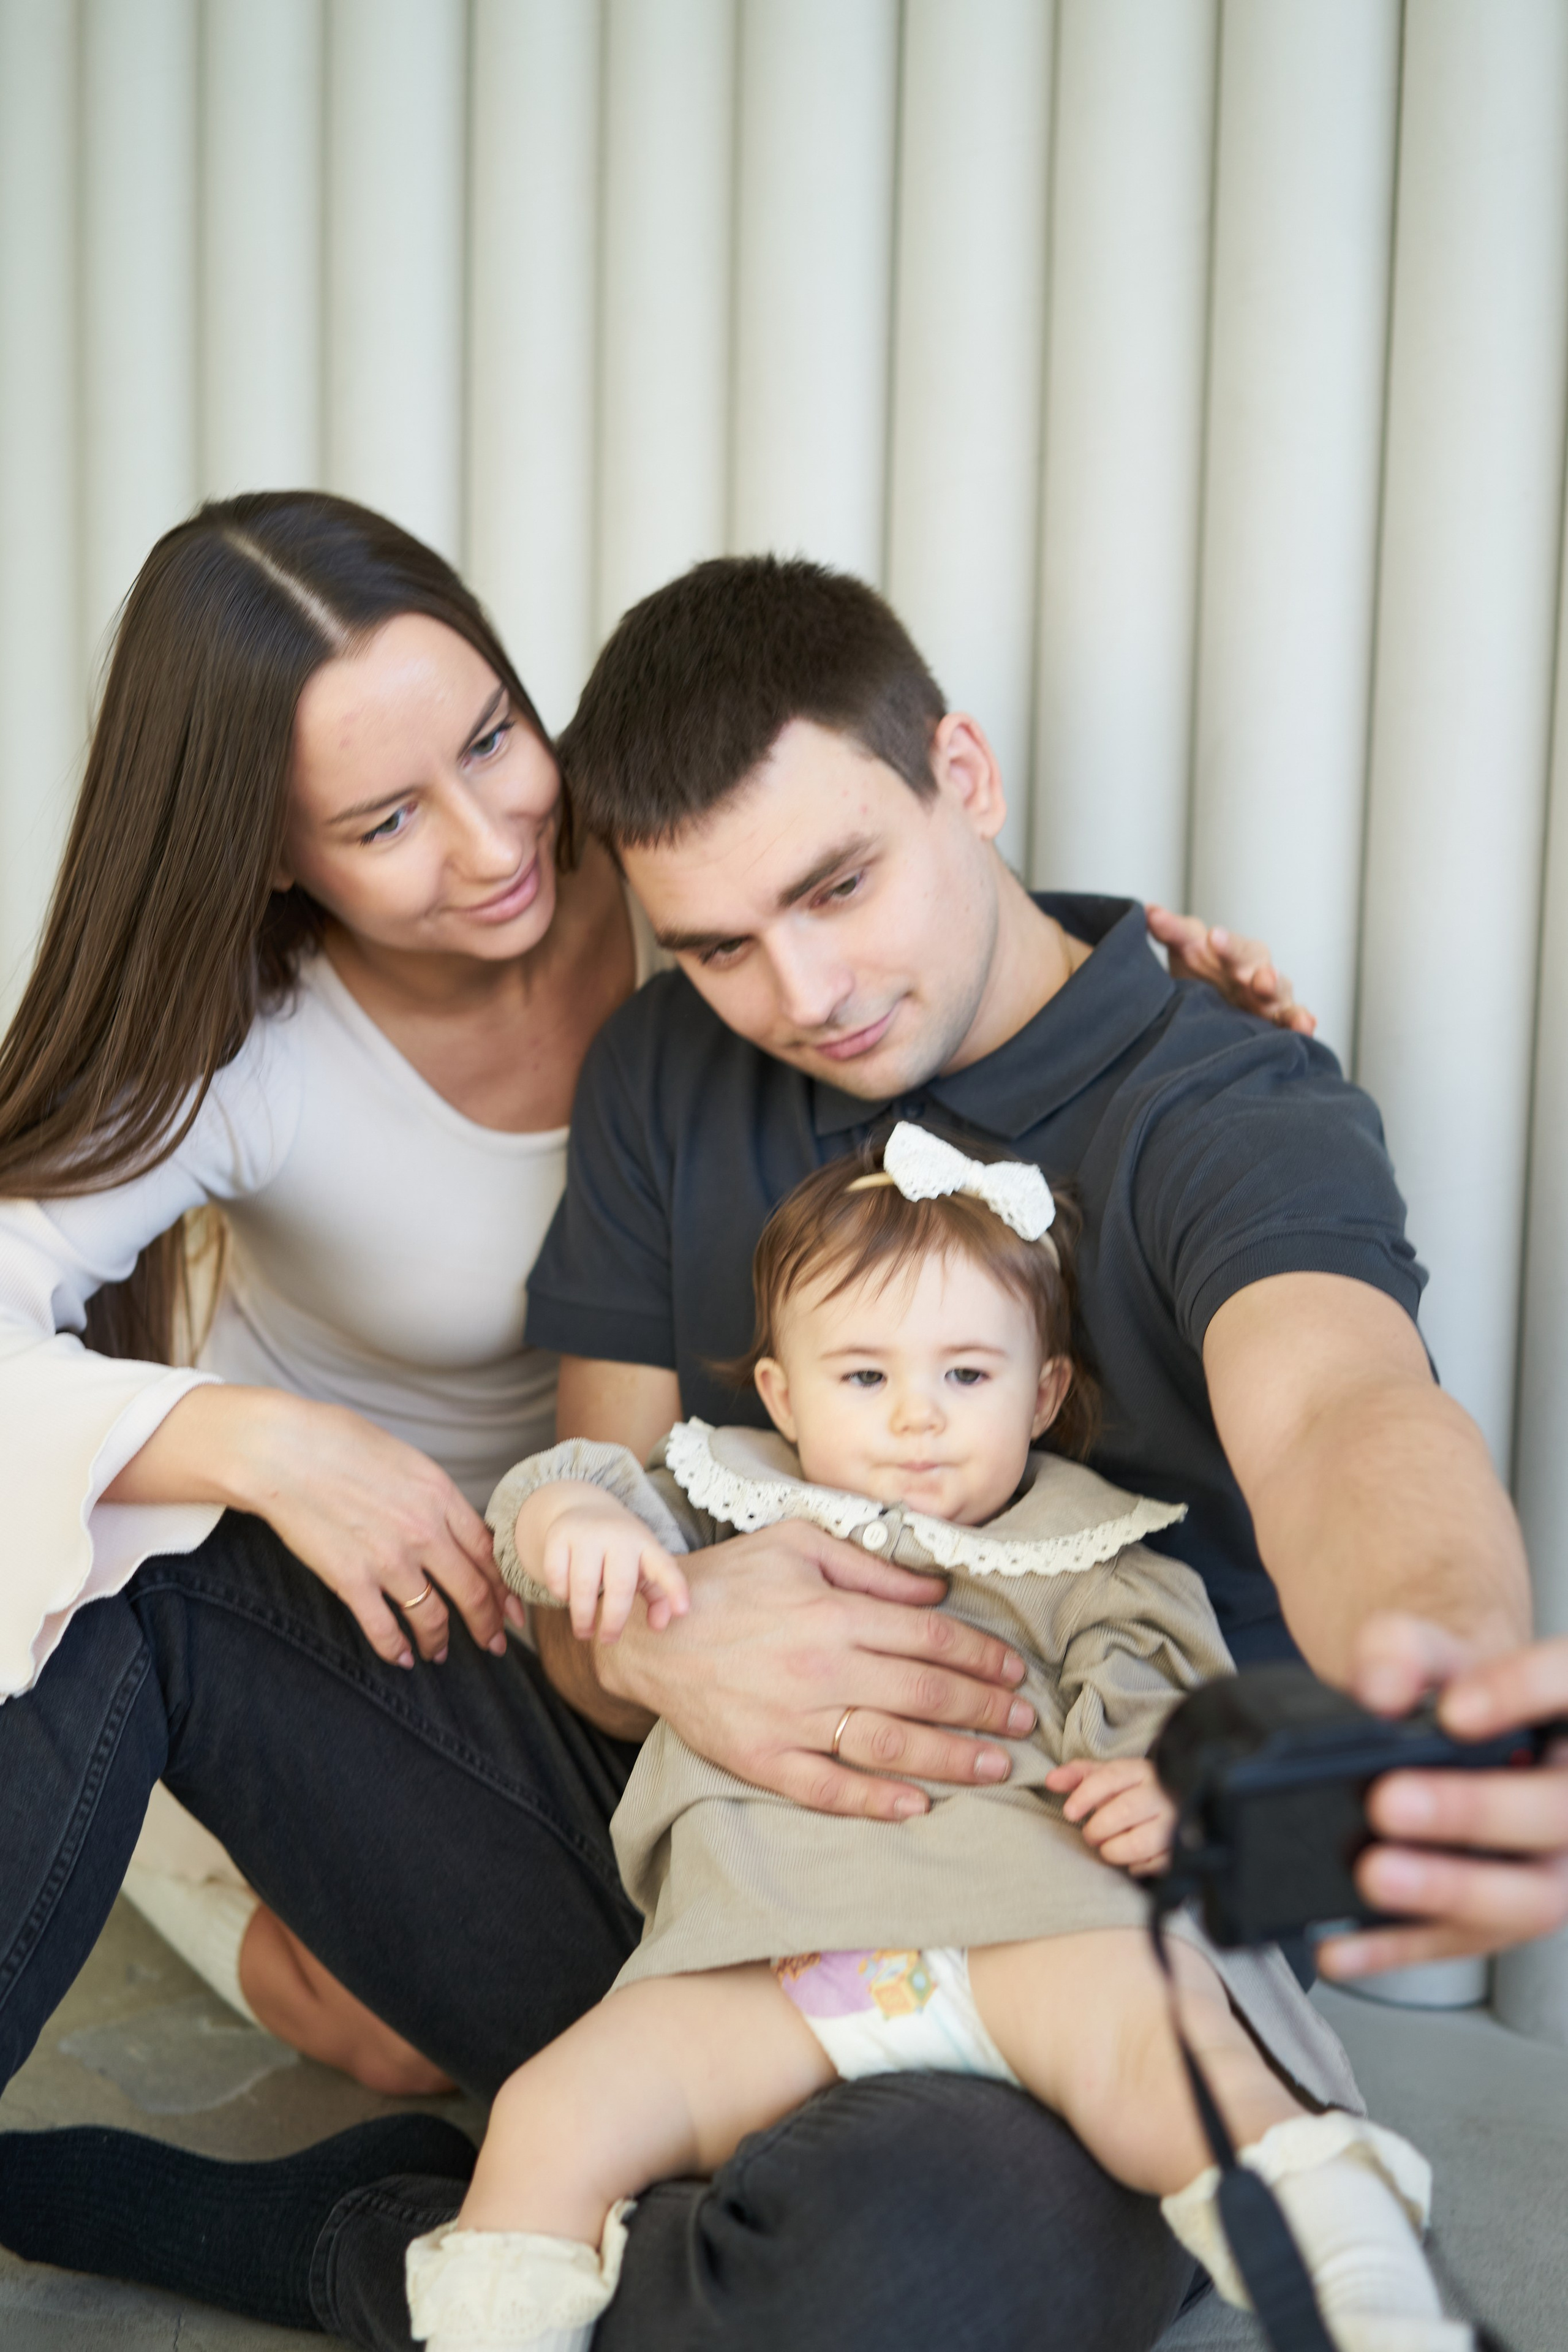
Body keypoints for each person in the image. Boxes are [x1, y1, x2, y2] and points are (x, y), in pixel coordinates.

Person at [0, 499, 1312, 2348]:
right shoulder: (250, 1044)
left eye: (491, 744)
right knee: (86, 1540)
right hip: (477, 1637)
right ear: (275, 861)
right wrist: (258, 1444)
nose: (490, 843)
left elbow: (876, 872)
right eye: (384, 826)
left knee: (922, 2256)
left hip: (801, 1750)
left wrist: (1128, 983)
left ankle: (389, 2240)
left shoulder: (686, 894)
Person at [407, 1124, 1464, 2352]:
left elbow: (1169, 1696)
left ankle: (1357, 2276)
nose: (917, 1420)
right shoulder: (720, 1500)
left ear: (1043, 1391)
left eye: (966, 1377)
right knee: (548, 2114)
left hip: (1025, 1938)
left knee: (1172, 2056)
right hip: (762, 1960)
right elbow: (550, 1492)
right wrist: (574, 1526)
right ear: (780, 1394)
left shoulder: (1086, 1550)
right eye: (864, 1379)